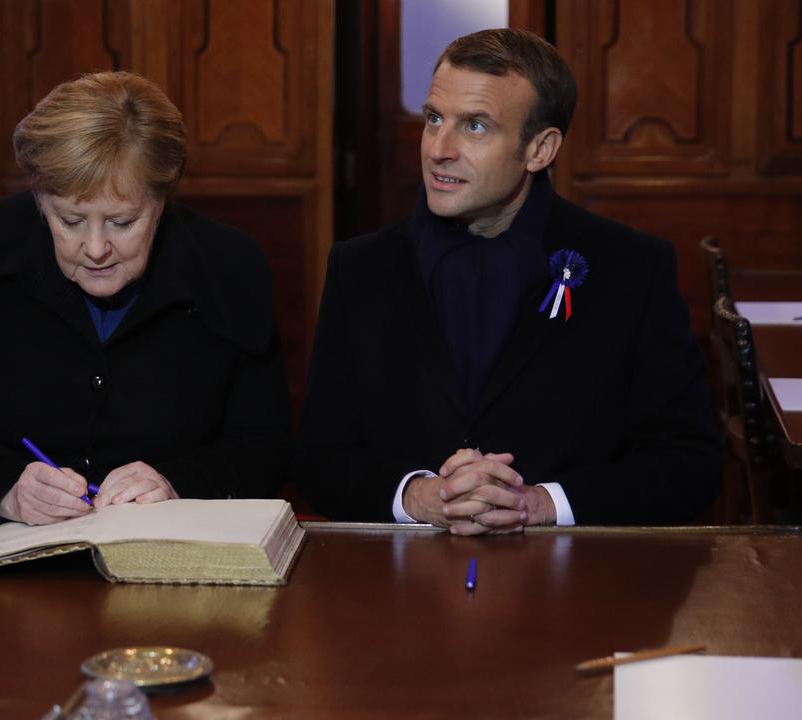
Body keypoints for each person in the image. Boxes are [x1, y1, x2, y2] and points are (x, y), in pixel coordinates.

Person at [295, 29, 719, 533]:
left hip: (579, 590)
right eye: (434, 119)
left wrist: (541, 504)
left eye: (475, 126)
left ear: (539, 149)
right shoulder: (359, 268)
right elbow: (318, 460)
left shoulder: (632, 267)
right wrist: (419, 496)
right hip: (399, 586)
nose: (438, 149)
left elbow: (689, 463)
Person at [0, 71, 290, 530]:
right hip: (6, 554)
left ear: (162, 199)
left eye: (122, 222)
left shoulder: (229, 265)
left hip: (168, 556)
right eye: (71, 220)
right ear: (39, 198)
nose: (96, 248)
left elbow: (265, 446)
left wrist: (177, 484)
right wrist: (4, 489)